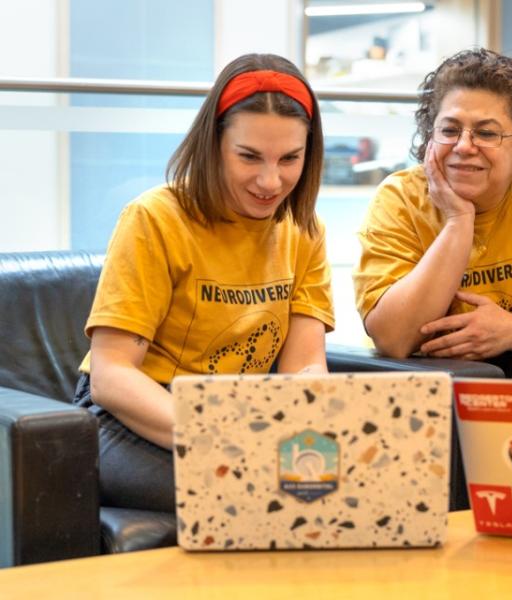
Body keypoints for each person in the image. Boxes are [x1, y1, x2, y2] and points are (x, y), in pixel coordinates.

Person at [73, 53, 334, 513]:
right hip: (130, 415)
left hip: (241, 419)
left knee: (330, 487)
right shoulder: (155, 217)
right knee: (258, 494)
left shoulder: (304, 230)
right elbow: (111, 377)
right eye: (249, 156)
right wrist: (226, 441)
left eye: (290, 158)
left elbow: (303, 370)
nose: (270, 181)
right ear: (213, 144)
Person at [354, 48, 512, 359]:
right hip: (434, 389)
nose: (463, 146)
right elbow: (392, 338)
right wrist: (458, 220)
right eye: (449, 130)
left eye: (486, 133)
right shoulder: (399, 199)